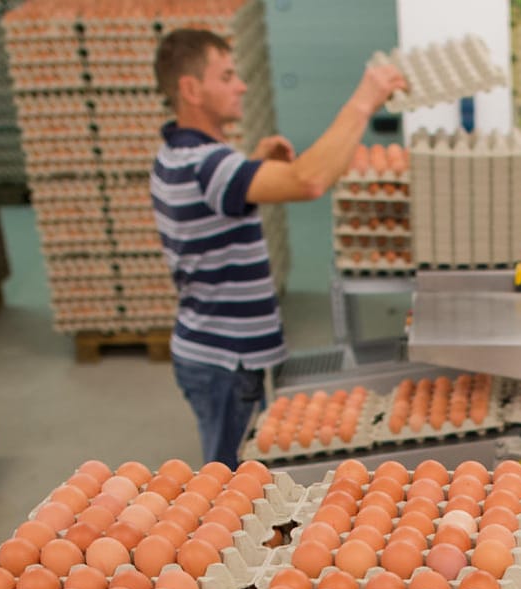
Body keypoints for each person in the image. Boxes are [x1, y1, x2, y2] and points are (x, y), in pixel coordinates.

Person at [151, 29, 406, 466]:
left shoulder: (179, 156)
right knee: (229, 485)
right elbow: (309, 181)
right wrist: (364, 100)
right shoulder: (206, 165)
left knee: (238, 471)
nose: (242, 85)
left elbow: (220, 200)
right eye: (227, 75)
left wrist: (254, 162)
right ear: (191, 89)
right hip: (224, 359)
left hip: (215, 351)